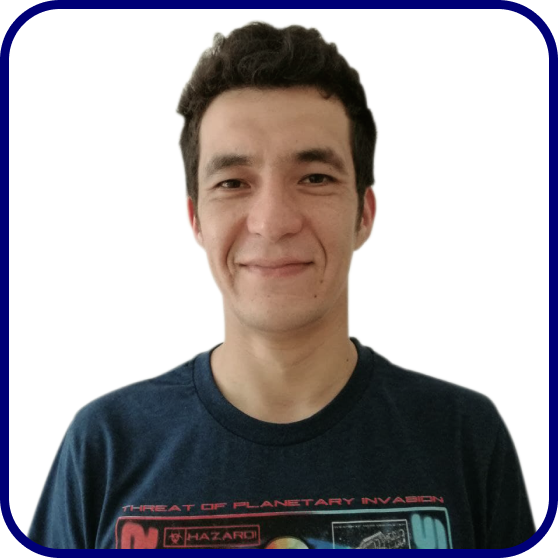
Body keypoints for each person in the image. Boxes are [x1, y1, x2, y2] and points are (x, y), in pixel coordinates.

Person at [28, 22, 535, 549]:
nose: (272, 222)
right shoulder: (104, 447)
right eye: (232, 183)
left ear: (363, 214)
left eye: (315, 178)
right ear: (196, 219)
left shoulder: (464, 438)